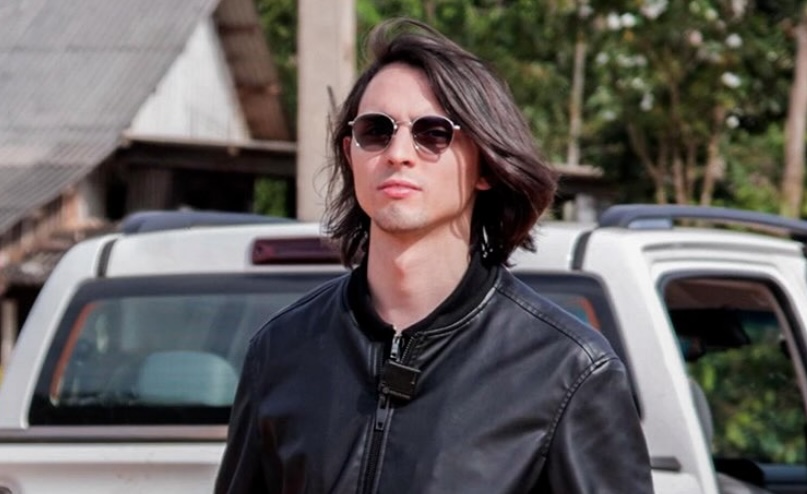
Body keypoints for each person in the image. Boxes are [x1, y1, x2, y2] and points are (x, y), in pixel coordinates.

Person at [215, 17, 654, 494]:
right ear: (350, 153)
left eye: (433, 133)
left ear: (485, 165)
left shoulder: (568, 370)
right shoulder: (281, 351)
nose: (398, 153)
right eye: (376, 131)